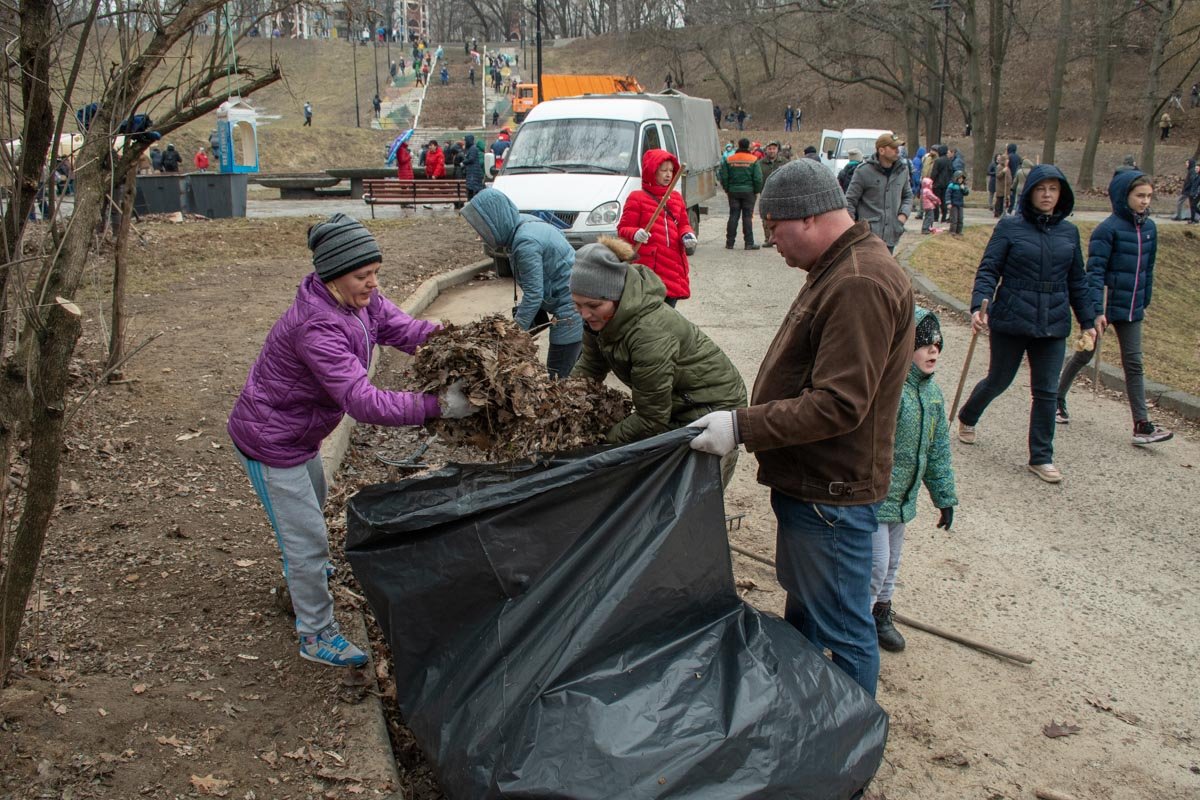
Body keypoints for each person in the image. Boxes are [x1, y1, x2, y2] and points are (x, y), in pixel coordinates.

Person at [687, 158, 915, 697]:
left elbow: (838, 404)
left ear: (810, 218)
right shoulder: (838, 267)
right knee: (811, 622)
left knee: (841, 629)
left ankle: (848, 748)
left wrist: (741, 427)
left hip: (830, 494)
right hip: (815, 489)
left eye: (774, 228)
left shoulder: (858, 282)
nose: (772, 243)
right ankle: (814, 728)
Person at [227, 214, 478, 667]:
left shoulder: (361, 304)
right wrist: (439, 405)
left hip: (301, 438)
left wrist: (462, 345)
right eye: (363, 276)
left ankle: (303, 578)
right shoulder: (316, 328)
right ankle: (316, 634)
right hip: (270, 443)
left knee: (312, 515)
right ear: (333, 276)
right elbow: (363, 401)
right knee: (305, 541)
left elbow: (406, 330)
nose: (373, 284)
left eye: (376, 273)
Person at [956, 165, 1095, 484]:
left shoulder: (1069, 233)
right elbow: (989, 269)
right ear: (1030, 192)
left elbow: (1078, 281)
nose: (1047, 195)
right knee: (999, 379)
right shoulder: (1009, 227)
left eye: (1053, 189)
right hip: (1012, 318)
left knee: (1046, 391)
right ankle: (968, 415)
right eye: (1041, 189)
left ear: (1061, 194)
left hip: (1053, 323)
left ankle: (1041, 457)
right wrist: (980, 305)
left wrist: (1088, 321)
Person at [569, 238, 747, 486]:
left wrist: (598, 441)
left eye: (593, 305)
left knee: (691, 493)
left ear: (618, 296)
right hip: (673, 404)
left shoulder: (648, 333)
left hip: (710, 408)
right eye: (577, 305)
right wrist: (566, 404)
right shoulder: (598, 320)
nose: (585, 314)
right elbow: (591, 365)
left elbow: (651, 420)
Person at [1055, 171, 1172, 445]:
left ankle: (1141, 425)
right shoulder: (1106, 230)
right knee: (1084, 354)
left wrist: (1145, 299)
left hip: (1132, 308)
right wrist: (1095, 310)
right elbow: (1094, 272)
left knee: (1134, 363)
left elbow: (1149, 269)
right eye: (1139, 196)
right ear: (1124, 196)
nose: (1145, 201)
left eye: (1148, 196)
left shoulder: (1151, 228)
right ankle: (1056, 399)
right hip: (1105, 306)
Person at [871, 306, 957, 652]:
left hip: (904, 501)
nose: (932, 350)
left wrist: (944, 496)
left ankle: (880, 613)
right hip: (876, 498)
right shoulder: (890, 391)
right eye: (922, 344)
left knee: (892, 562)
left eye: (936, 344)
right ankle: (855, 624)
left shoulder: (933, 396)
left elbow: (938, 452)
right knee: (875, 564)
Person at [460, 188, 584, 378]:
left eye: (481, 229)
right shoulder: (525, 222)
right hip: (577, 301)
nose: (480, 236)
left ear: (494, 222)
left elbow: (535, 295)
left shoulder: (525, 242)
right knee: (574, 371)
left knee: (557, 377)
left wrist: (512, 335)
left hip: (571, 311)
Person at [617, 149, 697, 308]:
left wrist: (687, 234)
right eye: (663, 170)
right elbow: (623, 229)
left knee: (668, 314)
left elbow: (683, 223)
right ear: (652, 171)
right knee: (649, 314)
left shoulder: (676, 198)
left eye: (671, 170)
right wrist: (635, 233)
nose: (668, 174)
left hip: (673, 265)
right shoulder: (637, 198)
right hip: (649, 269)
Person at [845, 132, 912, 254]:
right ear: (881, 150)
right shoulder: (863, 171)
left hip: (891, 236)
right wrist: (853, 227)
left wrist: (902, 217)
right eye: (893, 148)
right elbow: (849, 200)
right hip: (867, 238)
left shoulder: (903, 171)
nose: (898, 151)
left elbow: (908, 196)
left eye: (898, 147)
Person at [718, 137, 764, 250]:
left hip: (733, 191)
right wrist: (756, 191)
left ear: (738, 145)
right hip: (749, 192)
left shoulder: (729, 159)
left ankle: (730, 243)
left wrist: (727, 189)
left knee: (733, 215)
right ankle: (749, 243)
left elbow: (723, 176)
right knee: (747, 217)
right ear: (748, 146)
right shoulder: (753, 159)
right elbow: (758, 178)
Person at [758, 142, 790, 245]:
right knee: (766, 217)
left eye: (774, 148)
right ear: (766, 150)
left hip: (781, 194)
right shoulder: (760, 163)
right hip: (765, 194)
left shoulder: (785, 162)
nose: (772, 151)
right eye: (769, 148)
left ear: (777, 150)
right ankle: (768, 239)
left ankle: (782, 239)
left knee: (782, 217)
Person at [930, 144, 953, 222]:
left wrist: (931, 181)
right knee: (944, 200)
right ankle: (944, 216)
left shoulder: (938, 161)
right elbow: (951, 172)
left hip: (937, 184)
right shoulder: (949, 161)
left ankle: (936, 217)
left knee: (936, 200)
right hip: (946, 184)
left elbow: (934, 173)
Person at [461, 133, 485, 199]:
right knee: (472, 188)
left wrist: (463, 162)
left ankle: (472, 202)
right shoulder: (472, 148)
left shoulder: (473, 148)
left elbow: (471, 159)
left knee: (473, 188)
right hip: (472, 172)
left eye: (466, 140)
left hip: (473, 173)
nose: (465, 142)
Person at [946, 169, 969, 236]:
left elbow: (966, 193)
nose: (961, 180)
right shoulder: (952, 186)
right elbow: (948, 195)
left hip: (960, 204)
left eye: (962, 178)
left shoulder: (963, 186)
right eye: (959, 178)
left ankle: (959, 231)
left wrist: (963, 189)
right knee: (954, 218)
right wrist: (948, 203)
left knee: (960, 218)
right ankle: (952, 231)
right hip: (953, 204)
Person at [992, 153, 1011, 218]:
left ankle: (1004, 212)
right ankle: (997, 213)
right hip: (1001, 187)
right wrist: (1003, 171)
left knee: (1006, 200)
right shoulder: (999, 167)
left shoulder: (1007, 167)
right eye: (1006, 160)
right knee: (999, 200)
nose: (1008, 161)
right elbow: (998, 176)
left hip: (1006, 187)